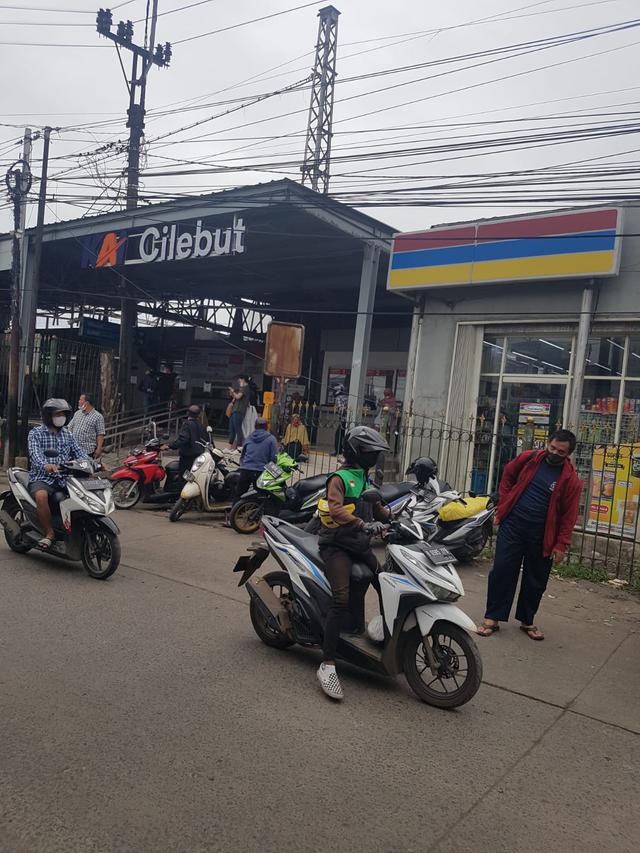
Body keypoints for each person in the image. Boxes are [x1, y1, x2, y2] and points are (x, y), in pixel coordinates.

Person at [477, 429, 582, 642]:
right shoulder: (530, 458)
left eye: (560, 452)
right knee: (502, 570)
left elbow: (569, 515)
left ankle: (527, 620)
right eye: (552, 448)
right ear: (548, 444)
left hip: (543, 535)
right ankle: (492, 617)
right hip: (513, 526)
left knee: (536, 579)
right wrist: (505, 501)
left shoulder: (571, 480)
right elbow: (508, 473)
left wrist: (561, 543)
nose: (554, 453)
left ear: (568, 454)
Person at [316, 425, 391, 701]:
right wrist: (362, 523)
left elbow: (377, 508)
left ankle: (382, 634)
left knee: (385, 582)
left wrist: (392, 518)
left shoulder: (366, 479)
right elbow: (335, 509)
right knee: (341, 598)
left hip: (359, 545)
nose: (375, 457)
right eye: (372, 452)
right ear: (358, 452)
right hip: (337, 545)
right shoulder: (339, 478)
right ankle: (327, 663)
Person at [27, 398, 90, 549]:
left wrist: (93, 463)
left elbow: (79, 453)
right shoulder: (36, 433)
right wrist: (45, 465)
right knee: (41, 496)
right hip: (42, 478)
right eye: (57, 414)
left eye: (63, 414)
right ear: (48, 416)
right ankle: (49, 533)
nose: (60, 417)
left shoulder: (68, 435)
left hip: (65, 478)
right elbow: (35, 454)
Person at [233, 417, 278, 501]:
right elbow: (273, 458)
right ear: (266, 427)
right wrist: (274, 472)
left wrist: (244, 465)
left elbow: (243, 455)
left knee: (239, 494)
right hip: (261, 471)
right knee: (261, 495)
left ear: (255, 426)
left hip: (246, 469)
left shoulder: (249, 438)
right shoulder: (271, 439)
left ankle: (234, 511)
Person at [165, 404, 208, 477]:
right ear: (199, 414)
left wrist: (170, 446)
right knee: (192, 476)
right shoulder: (202, 426)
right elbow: (207, 440)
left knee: (184, 477)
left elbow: (183, 439)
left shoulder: (187, 425)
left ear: (188, 413)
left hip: (187, 456)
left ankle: (183, 488)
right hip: (199, 456)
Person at [67, 393, 106, 459]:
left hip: (87, 451)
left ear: (86, 403)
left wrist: (99, 449)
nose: (78, 401)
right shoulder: (77, 413)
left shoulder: (98, 417)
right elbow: (70, 427)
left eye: (80, 400)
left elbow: (100, 434)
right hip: (74, 450)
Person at [228, 375, 249, 449]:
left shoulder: (245, 388)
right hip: (235, 410)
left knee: (237, 429)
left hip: (239, 411)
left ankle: (239, 447)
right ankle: (230, 447)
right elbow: (235, 397)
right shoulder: (241, 389)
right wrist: (232, 393)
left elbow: (238, 397)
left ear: (243, 380)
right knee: (232, 429)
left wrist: (233, 391)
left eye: (240, 380)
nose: (239, 382)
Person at [331, 383, 348, 457]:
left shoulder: (338, 398)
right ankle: (342, 451)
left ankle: (338, 451)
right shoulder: (346, 397)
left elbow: (341, 409)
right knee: (344, 435)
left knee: (338, 435)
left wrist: (339, 411)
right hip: (348, 419)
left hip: (343, 419)